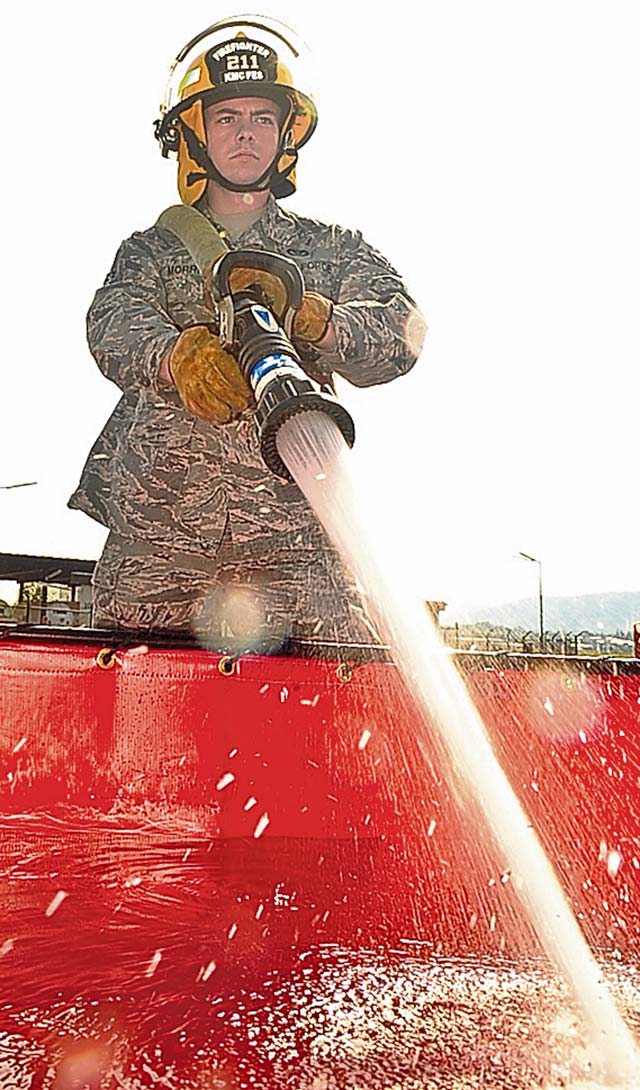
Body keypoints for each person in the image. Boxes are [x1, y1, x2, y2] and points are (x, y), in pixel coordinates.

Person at [69, 17, 426, 648]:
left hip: (300, 548)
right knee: (136, 719)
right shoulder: (150, 251)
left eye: (262, 117)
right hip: (161, 547)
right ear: (193, 135)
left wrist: (324, 323)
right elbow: (110, 321)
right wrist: (176, 354)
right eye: (226, 117)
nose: (245, 134)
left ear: (286, 134)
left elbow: (402, 335)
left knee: (326, 718)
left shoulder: (333, 250)